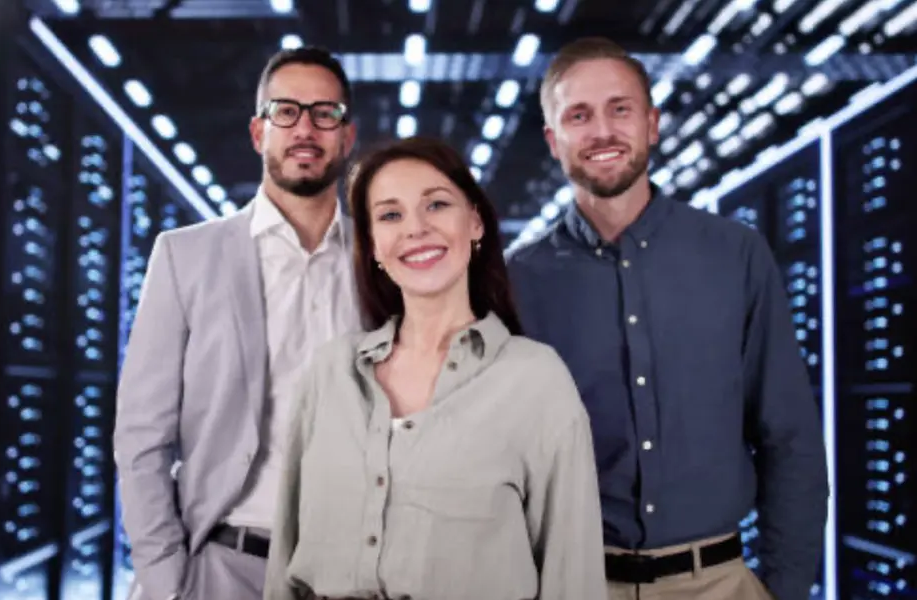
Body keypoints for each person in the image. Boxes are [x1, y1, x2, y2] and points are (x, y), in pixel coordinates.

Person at [506, 37, 828, 600]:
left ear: (652, 124)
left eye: (620, 109)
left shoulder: (735, 255)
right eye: (579, 116)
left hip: (720, 584)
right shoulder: (516, 281)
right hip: (576, 584)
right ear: (554, 142)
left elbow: (790, 437)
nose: (602, 131)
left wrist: (786, 588)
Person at [263, 136, 608, 600]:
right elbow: (285, 558)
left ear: (475, 222)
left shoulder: (536, 380)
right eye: (390, 215)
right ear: (374, 248)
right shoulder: (330, 372)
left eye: (437, 205)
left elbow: (573, 577)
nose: (415, 229)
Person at [114, 46, 360, 600]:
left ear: (346, 136)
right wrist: (166, 581)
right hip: (219, 568)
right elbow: (141, 438)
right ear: (258, 132)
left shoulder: (380, 263)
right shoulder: (186, 256)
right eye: (286, 111)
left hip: (349, 574)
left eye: (326, 113)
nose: (306, 128)